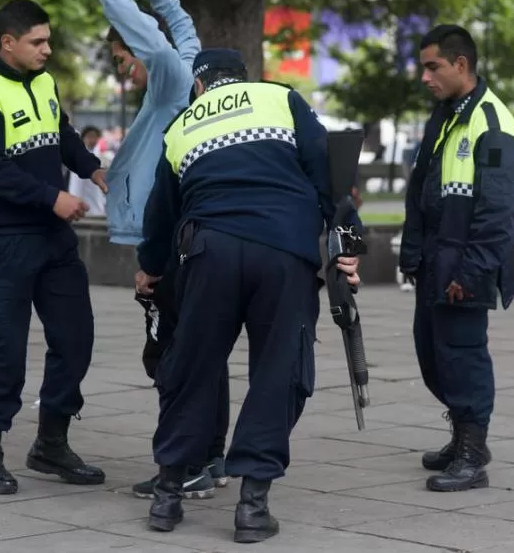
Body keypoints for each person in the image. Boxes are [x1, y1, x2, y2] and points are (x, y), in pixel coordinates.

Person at [135, 48, 361, 543]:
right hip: (282, 249)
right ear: (243, 79)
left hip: (208, 251)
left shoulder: (182, 125)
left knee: (192, 366)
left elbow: (161, 213)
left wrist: (150, 270)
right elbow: (330, 175)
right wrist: (349, 246)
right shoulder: (279, 99)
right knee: (278, 370)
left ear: (199, 86)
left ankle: (168, 496)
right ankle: (252, 507)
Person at [0, 0, 109, 495]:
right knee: (6, 349)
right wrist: (52, 198)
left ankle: (51, 443)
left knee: (76, 338)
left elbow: (61, 135)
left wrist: (92, 168)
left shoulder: (44, 83)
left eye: (48, 39)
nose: (48, 49)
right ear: (8, 43)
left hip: (52, 240)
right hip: (6, 240)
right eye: (38, 42)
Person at [92, 0, 227, 498]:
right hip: (186, 234)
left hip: (171, 243)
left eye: (124, 61)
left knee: (171, 356)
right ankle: (209, 456)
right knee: (199, 350)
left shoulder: (171, 77)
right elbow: (183, 29)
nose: (126, 72)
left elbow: (157, 39)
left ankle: (183, 462)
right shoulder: (184, 70)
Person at [398, 25, 514, 494]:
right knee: (432, 356)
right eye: (424, 67)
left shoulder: (490, 122)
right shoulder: (445, 116)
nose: (425, 77)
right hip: (435, 262)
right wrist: (414, 256)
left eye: (433, 67)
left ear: (461, 65)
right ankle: (462, 436)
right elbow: (422, 189)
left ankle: (473, 450)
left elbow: (498, 211)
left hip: (465, 266)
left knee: (463, 357)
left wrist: (470, 274)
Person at [66, 126, 108, 216]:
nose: (92, 140)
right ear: (83, 138)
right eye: (89, 136)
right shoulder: (75, 159)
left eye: (94, 137)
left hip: (96, 205)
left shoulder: (102, 158)